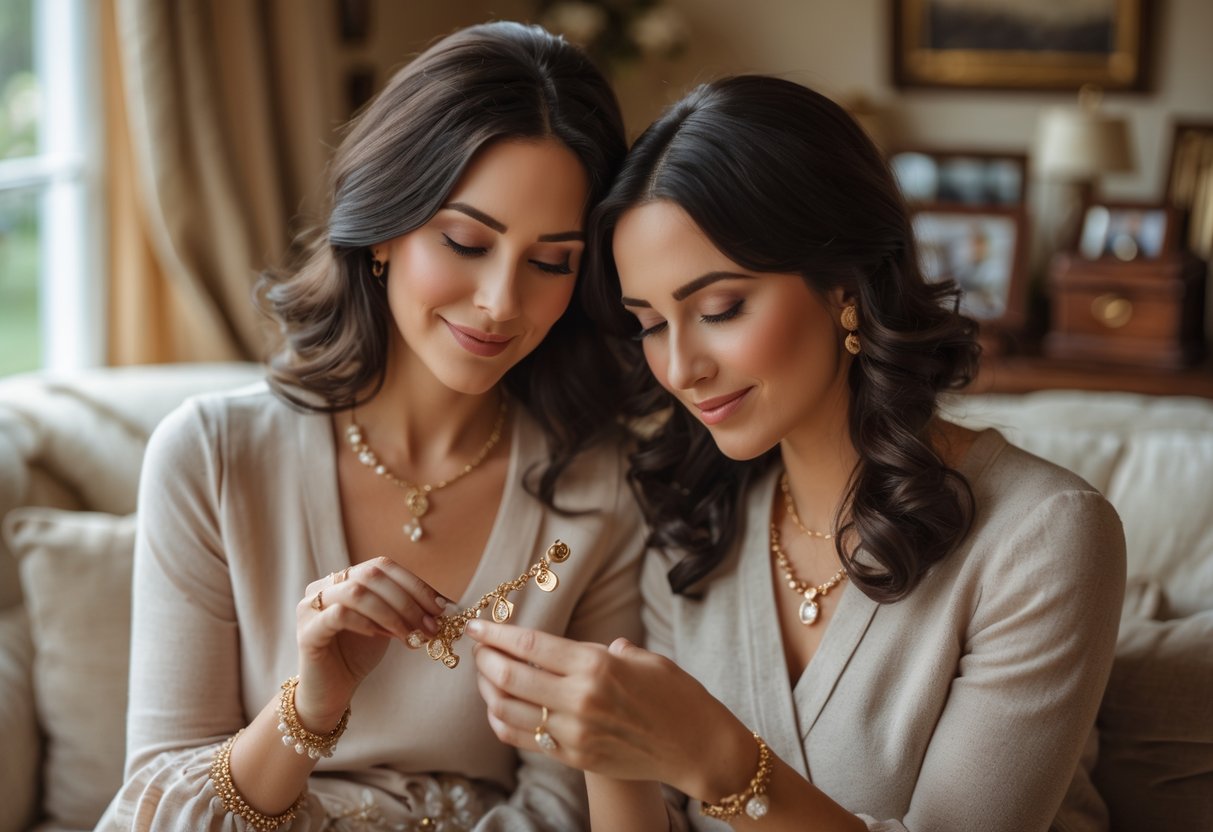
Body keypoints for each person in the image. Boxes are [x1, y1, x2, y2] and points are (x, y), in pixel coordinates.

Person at [465, 76, 1127, 831]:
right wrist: (606, 747)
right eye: (649, 323)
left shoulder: (1042, 537)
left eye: (720, 308)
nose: (681, 367)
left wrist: (716, 759)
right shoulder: (692, 521)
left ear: (843, 284)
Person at [97, 21, 643, 832]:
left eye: (549, 261)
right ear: (385, 226)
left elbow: (566, 803)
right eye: (465, 241)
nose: (500, 300)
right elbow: (156, 811)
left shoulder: (600, 488)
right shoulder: (210, 456)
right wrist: (310, 707)